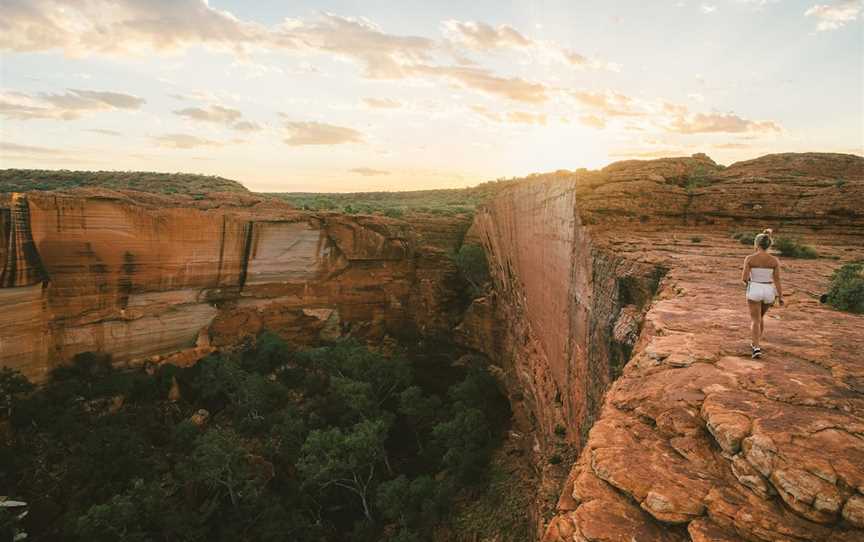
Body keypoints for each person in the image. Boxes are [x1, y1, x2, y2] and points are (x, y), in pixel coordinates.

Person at [742, 229, 784, 359]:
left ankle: (756, 347)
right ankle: (756, 342)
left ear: (756, 244)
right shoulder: (774, 260)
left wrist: (750, 285)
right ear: (769, 245)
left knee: (755, 320)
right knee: (760, 318)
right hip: (768, 290)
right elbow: (777, 280)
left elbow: (744, 278)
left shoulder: (750, 258)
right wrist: (780, 296)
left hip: (755, 287)